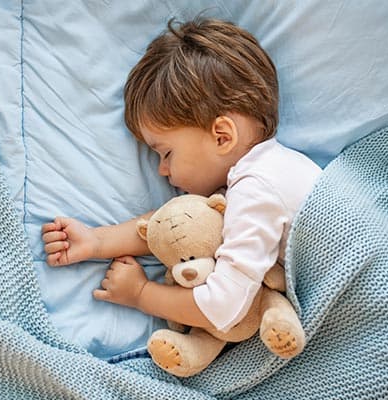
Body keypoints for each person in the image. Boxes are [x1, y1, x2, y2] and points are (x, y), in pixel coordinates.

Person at [41, 17, 321, 335]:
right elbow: (176, 224)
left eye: (167, 153)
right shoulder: (268, 171)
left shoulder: (256, 189)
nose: (162, 170)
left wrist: (142, 295)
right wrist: (97, 241)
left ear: (221, 136)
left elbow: (224, 307)